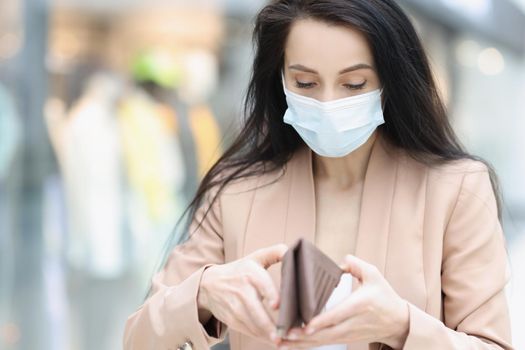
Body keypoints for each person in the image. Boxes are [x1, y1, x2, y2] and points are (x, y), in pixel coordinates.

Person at [123, 1, 513, 349]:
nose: (327, 103)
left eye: (354, 83)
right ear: (279, 80)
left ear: (389, 82)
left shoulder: (456, 189)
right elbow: (138, 339)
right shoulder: (237, 191)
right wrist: (203, 293)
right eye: (305, 83)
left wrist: (401, 327)